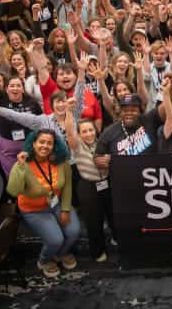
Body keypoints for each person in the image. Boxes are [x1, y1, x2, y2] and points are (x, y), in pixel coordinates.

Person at [7, 130, 80, 278]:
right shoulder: (23, 164)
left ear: (54, 146)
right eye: (41, 142)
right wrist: (19, 166)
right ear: (33, 144)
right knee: (55, 240)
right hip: (34, 210)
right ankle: (44, 260)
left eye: (49, 143)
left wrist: (65, 209)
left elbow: (67, 187)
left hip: (57, 204)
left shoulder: (61, 161)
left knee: (74, 232)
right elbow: (13, 191)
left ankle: (60, 254)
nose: (45, 146)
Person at [64, 113, 114, 263]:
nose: (88, 134)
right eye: (84, 131)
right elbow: (69, 131)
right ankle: (97, 251)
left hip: (108, 183)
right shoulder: (77, 146)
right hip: (88, 187)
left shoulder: (103, 142)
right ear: (79, 134)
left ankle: (117, 238)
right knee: (93, 221)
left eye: (91, 130)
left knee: (113, 214)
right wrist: (68, 111)